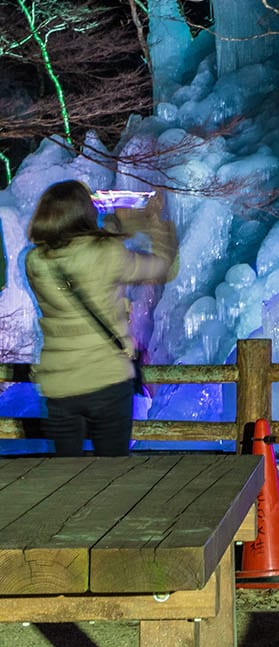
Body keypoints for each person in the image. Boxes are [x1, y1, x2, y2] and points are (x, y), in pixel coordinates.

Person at [25, 181, 178, 456]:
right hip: (106, 379)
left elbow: (76, 261)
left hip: (60, 385)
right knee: (112, 474)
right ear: (85, 212)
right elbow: (159, 266)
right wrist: (155, 223)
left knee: (66, 475)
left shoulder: (35, 262)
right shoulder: (106, 253)